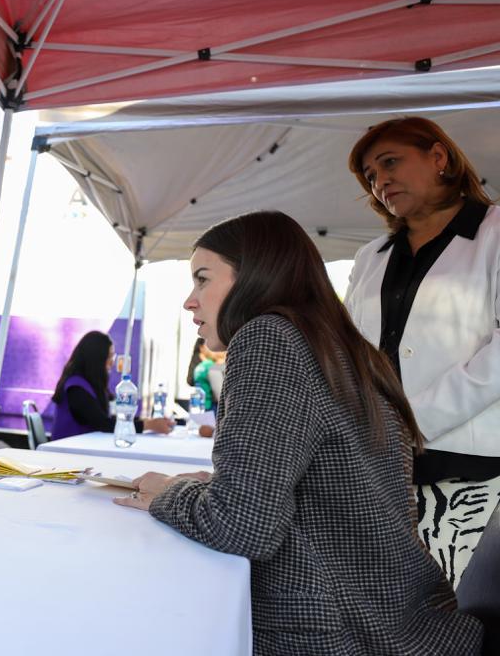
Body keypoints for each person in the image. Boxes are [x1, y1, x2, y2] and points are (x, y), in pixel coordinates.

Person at [114, 211, 481, 654]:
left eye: (202, 279)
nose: (190, 301)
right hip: (403, 623)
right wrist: (223, 489)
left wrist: (167, 493)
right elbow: (331, 487)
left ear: (254, 277)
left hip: (337, 633)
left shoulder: (268, 338)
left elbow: (243, 526)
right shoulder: (349, 351)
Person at [345, 116, 500, 587]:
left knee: (463, 614)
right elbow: (348, 349)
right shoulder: (370, 257)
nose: (380, 181)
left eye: (390, 162)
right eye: (371, 175)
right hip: (382, 467)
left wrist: (416, 418)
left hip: (471, 472)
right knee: (389, 608)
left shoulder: (495, 233)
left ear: (439, 157)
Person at [50, 331, 172, 441]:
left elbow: (108, 418)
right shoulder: (76, 388)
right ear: (96, 359)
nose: (112, 361)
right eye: (109, 356)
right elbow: (103, 423)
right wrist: (148, 425)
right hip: (67, 452)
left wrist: (148, 421)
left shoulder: (89, 383)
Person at [191, 342, 225, 411]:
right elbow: (219, 394)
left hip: (199, 404)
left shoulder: (199, 366)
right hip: (210, 407)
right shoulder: (211, 366)